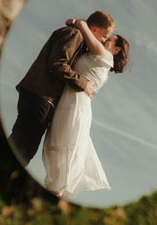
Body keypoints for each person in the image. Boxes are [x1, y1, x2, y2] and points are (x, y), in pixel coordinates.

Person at [8, 10, 115, 166]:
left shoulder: (76, 35)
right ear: (94, 30)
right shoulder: (75, 35)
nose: (103, 41)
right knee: (24, 148)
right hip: (41, 95)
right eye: (104, 36)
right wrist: (84, 84)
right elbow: (58, 64)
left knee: (21, 143)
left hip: (39, 94)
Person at [42, 17, 129, 198]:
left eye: (110, 40)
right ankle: (54, 189)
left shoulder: (105, 56)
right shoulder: (96, 53)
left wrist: (77, 22)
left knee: (65, 144)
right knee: (56, 142)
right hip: (70, 99)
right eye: (106, 37)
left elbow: (85, 28)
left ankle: (58, 190)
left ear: (116, 49)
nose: (105, 40)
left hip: (75, 104)